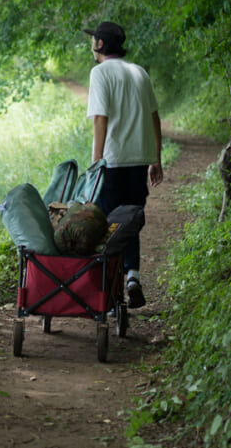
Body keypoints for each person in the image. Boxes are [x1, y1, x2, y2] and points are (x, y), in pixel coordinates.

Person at [83, 21, 163, 309]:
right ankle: (132, 277)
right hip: (140, 161)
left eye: (93, 40)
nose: (91, 45)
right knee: (129, 222)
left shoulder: (100, 73)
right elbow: (155, 117)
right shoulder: (138, 72)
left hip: (112, 163)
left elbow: (100, 119)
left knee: (106, 225)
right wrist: (156, 158)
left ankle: (106, 289)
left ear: (101, 45)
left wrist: (96, 164)